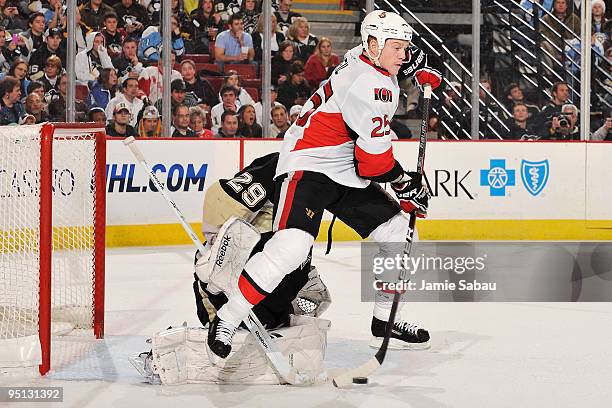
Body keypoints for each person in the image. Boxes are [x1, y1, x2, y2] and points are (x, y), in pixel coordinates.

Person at [207, 10, 435, 359]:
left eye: (406, 48)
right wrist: (405, 183)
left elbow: (364, 155)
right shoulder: (370, 86)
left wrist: (405, 66)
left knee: (399, 235)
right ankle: (227, 317)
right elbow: (373, 162)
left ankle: (385, 319)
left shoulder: (362, 57)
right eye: (397, 47)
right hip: (311, 164)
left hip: (343, 166)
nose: (404, 55)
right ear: (373, 45)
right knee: (291, 247)